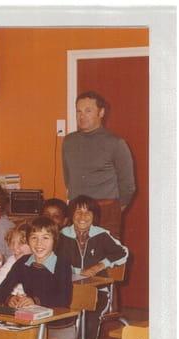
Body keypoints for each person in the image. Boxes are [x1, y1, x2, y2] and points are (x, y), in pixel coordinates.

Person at [0, 216, 74, 339]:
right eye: (34, 238)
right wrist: (10, 298)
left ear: (55, 240)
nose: (39, 243)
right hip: (34, 325)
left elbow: (63, 299)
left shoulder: (62, 265)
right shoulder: (23, 263)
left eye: (45, 238)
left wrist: (35, 301)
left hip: (59, 327)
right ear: (28, 240)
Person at [62, 91, 136, 238]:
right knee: (76, 250)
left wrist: (115, 209)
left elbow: (128, 185)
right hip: (76, 210)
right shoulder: (68, 142)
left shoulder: (116, 143)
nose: (82, 116)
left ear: (101, 113)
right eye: (79, 111)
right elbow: (68, 177)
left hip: (106, 211)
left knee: (106, 252)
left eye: (88, 111)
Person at [57, 195, 129, 339]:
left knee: (88, 319)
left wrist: (99, 266)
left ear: (94, 215)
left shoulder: (101, 235)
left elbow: (123, 253)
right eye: (78, 212)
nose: (83, 216)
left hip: (97, 291)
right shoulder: (62, 235)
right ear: (71, 214)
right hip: (68, 289)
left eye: (88, 212)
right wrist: (78, 271)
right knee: (59, 316)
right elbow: (55, 262)